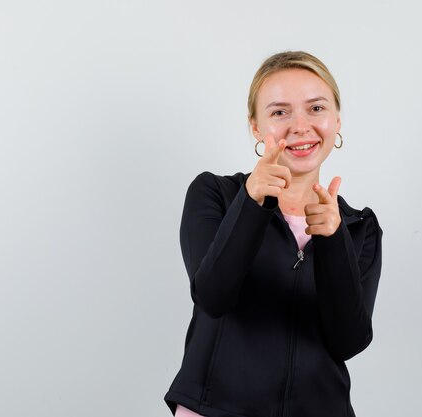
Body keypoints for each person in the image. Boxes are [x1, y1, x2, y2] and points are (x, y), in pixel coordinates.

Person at [164, 51, 383, 417]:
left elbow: (348, 341)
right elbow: (213, 297)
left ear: (337, 120)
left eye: (316, 108)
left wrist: (332, 240)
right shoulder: (216, 195)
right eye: (280, 112)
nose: (300, 126)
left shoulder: (359, 226)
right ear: (255, 126)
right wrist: (252, 203)